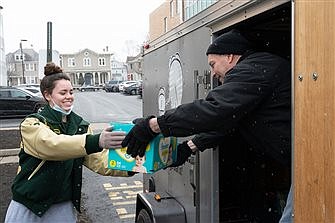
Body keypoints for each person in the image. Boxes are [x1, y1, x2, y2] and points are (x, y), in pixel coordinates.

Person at [122, 29, 292, 221]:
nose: (212, 72)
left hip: (308, 163)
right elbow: (230, 124)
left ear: (229, 56)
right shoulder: (259, 67)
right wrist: (189, 147)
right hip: (295, 163)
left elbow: (213, 110)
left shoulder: (252, 69)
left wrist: (153, 126)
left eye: (213, 64)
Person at [5, 62, 133, 223]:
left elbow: (99, 161)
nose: (69, 96)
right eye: (63, 92)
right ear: (48, 95)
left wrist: (132, 165)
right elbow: (51, 145)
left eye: (71, 92)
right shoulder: (32, 123)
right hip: (29, 205)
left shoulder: (80, 126)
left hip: (62, 205)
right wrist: (96, 141)